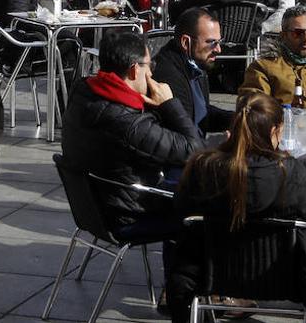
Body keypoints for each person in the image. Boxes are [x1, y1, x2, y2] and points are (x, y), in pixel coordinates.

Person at [168, 92, 306, 323]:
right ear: (275, 131)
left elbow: (182, 209)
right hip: (285, 276)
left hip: (211, 275)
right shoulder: (288, 171)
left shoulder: (204, 165)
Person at [60, 31, 202, 246]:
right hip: (129, 214)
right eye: (149, 65)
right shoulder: (127, 122)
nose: (152, 72)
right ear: (135, 70)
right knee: (210, 207)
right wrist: (169, 104)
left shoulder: (84, 92)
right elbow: (194, 150)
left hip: (96, 207)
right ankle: (181, 279)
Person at [152, 7, 231, 136]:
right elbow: (184, 135)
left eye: (219, 42)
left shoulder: (195, 64)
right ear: (185, 42)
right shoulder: (169, 76)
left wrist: (238, 118)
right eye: (212, 42)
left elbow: (201, 114)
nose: (218, 49)